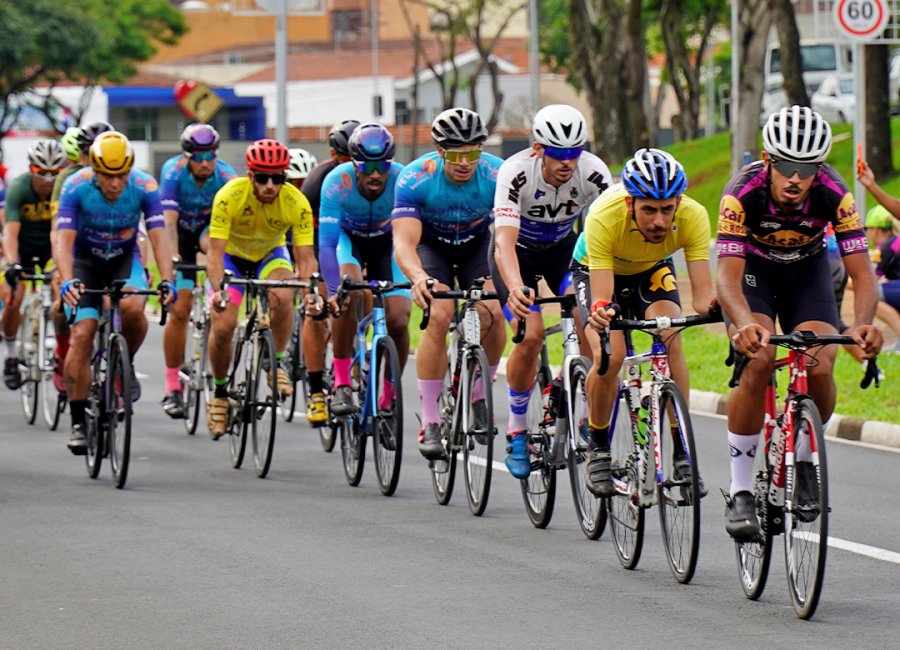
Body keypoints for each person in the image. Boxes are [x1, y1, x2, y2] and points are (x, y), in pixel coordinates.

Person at [716, 106, 882, 540]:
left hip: (807, 274)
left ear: (819, 167)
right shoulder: (742, 193)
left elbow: (863, 272)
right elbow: (727, 278)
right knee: (759, 359)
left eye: (806, 168)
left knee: (820, 362)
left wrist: (861, 325)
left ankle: (805, 455)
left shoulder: (834, 193)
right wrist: (740, 325)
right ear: (769, 160)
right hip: (753, 275)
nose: (795, 178)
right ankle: (739, 490)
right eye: (786, 166)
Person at [580, 148, 714, 497]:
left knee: (671, 333)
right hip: (596, 269)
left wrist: (723, 310)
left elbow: (702, 297)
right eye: (649, 210)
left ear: (679, 203)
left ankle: (682, 450)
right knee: (612, 354)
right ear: (630, 204)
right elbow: (603, 298)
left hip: (650, 269)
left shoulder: (693, 217)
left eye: (667, 209)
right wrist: (602, 314)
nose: (659, 221)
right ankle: (597, 446)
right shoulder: (603, 217)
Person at [491, 104, 612, 478]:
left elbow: (606, 234)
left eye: (574, 153)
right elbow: (504, 245)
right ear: (539, 148)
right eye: (559, 154)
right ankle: (516, 430)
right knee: (531, 336)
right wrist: (514, 288)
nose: (567, 162)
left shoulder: (593, 172)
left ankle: (589, 414)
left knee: (594, 331)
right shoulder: (515, 172)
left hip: (564, 253)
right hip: (517, 257)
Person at [392, 107, 506, 459]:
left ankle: (478, 393)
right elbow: (404, 243)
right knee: (440, 316)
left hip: (476, 245)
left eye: (472, 153)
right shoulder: (415, 178)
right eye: (455, 154)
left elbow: (506, 235)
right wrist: (419, 277)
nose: (464, 162)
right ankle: (430, 421)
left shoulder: (497, 174)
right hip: (433, 247)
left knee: (492, 310)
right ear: (440, 151)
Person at [57, 132, 176, 453]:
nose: (115, 183)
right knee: (82, 334)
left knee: (134, 308)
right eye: (108, 176)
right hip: (85, 261)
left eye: (121, 174)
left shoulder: (145, 187)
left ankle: (125, 363)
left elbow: (158, 236)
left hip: (125, 258)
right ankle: (78, 420)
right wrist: (67, 279)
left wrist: (167, 279)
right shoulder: (75, 186)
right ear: (94, 171)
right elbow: (63, 240)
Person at [205, 139, 316, 439]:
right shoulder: (230, 196)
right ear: (250, 176)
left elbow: (305, 258)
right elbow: (214, 254)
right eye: (262, 178)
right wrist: (218, 290)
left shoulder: (296, 202)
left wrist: (309, 292)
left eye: (277, 178)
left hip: (270, 255)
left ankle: (276, 362)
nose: (270, 185)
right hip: (232, 258)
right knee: (225, 325)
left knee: (284, 294)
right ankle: (219, 392)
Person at [319, 123, 410, 423]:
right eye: (367, 166)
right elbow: (328, 243)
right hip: (349, 241)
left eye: (382, 165)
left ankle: (388, 392)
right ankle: (343, 382)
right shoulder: (336, 182)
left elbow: (412, 235)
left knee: (399, 317)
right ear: (355, 164)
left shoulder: (402, 180)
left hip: (387, 243)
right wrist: (333, 293)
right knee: (350, 293)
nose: (375, 174)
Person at [159, 123, 238, 418]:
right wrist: (173, 258)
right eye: (198, 157)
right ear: (186, 157)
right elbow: (167, 221)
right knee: (179, 309)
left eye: (209, 156)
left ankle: (211, 298)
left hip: (208, 232)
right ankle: (171, 387)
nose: (204, 163)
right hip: (179, 233)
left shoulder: (227, 176)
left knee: (214, 246)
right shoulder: (173, 172)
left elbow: (228, 232)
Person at [49, 121, 115, 394]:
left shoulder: (121, 180)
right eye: (90, 152)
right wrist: (60, 271)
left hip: (112, 252)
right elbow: (58, 229)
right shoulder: (69, 180)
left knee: (117, 303)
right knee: (61, 305)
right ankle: (64, 353)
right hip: (75, 250)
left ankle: (119, 365)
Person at [1, 139, 66, 389]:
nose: (48, 180)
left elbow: (65, 233)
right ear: (31, 169)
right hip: (24, 249)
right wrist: (12, 264)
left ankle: (59, 347)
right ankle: (10, 354)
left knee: (62, 292)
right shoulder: (19, 188)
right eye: (41, 173)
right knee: (13, 299)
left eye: (55, 173)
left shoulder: (63, 191)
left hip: (52, 248)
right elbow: (10, 232)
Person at [864, 205, 900, 352]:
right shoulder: (895, 241)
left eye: (867, 230)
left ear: (875, 229)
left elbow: (869, 281)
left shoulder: (885, 247)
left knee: (871, 296)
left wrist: (839, 281)